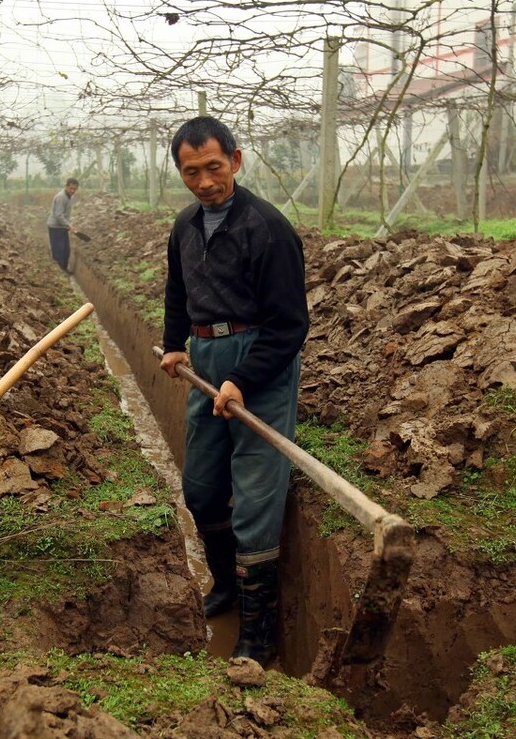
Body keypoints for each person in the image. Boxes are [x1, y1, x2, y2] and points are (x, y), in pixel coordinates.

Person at [159, 117, 309, 666]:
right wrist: (175, 343)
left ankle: (258, 629)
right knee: (200, 490)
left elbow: (290, 325)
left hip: (258, 365)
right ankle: (225, 583)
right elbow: (178, 289)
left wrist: (242, 380)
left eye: (214, 168)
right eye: (191, 171)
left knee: (254, 499)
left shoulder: (266, 229)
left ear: (237, 162)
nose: (204, 182)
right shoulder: (184, 227)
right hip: (205, 357)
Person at [46, 178, 79, 272]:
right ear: (66, 186)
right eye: (71, 188)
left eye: (74, 189)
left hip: (62, 227)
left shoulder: (70, 196)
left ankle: (64, 269)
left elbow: (66, 213)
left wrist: (68, 224)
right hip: (55, 228)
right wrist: (68, 225)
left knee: (66, 251)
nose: (72, 191)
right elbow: (58, 215)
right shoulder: (61, 197)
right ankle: (60, 272)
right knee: (58, 251)